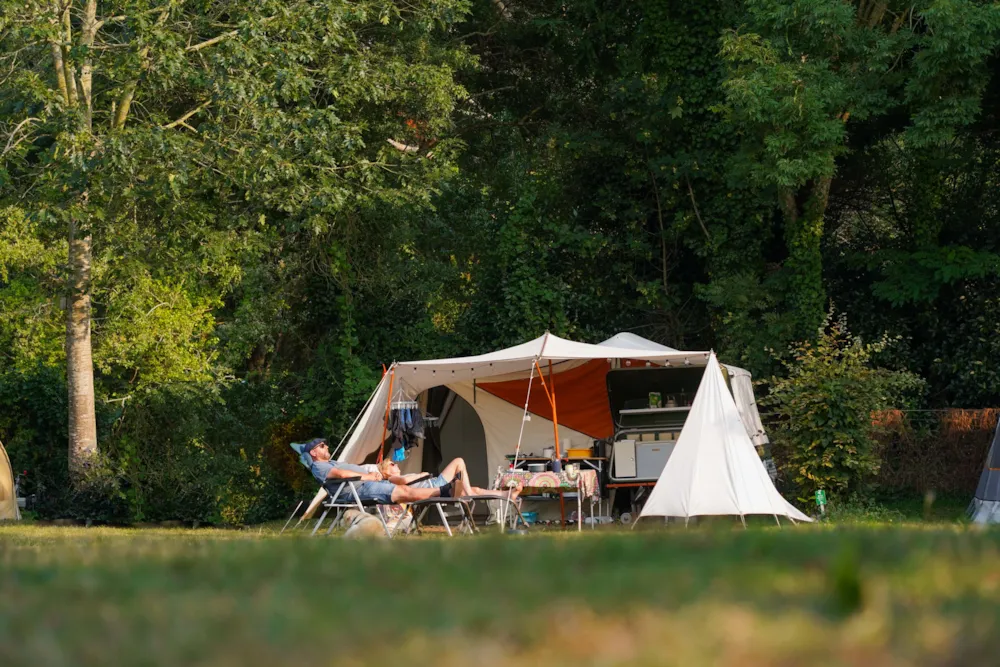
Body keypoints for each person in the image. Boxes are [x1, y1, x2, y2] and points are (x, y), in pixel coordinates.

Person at [298, 439, 454, 505]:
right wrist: (368, 476)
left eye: (325, 444)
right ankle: (444, 492)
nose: (326, 446)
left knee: (404, 490)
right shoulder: (319, 466)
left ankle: (444, 491)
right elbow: (341, 475)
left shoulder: (331, 462)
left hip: (365, 484)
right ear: (313, 453)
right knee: (403, 492)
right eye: (322, 446)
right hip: (358, 489)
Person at [377, 458, 522, 500]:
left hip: (434, 485)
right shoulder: (391, 479)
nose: (396, 464)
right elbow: (404, 482)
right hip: (433, 486)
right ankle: (466, 493)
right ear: (386, 471)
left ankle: (506, 494)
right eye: (392, 464)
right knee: (459, 462)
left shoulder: (397, 477)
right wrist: (421, 474)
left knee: (475, 490)